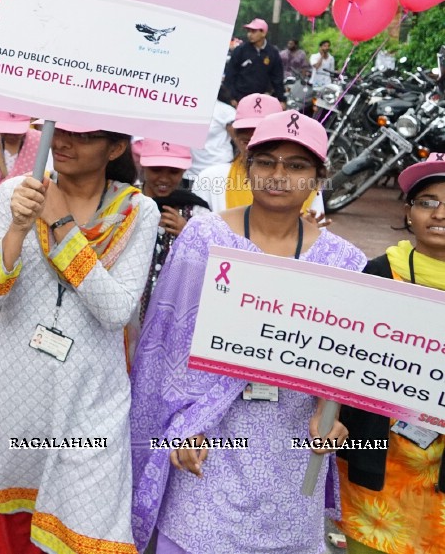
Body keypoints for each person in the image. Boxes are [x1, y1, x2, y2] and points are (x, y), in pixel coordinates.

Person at [130, 110, 364, 553]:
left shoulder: (343, 261)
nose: (279, 175)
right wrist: (184, 423)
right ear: (247, 167)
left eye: (297, 166)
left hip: (291, 448)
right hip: (208, 439)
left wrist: (330, 414)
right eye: (267, 161)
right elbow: (168, 343)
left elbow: (344, 362)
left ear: (318, 177)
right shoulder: (204, 236)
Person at [0, 123, 158, 553]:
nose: (65, 142)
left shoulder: (137, 212)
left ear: (116, 147)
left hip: (92, 405)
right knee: (17, 538)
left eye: (85, 136)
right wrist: (18, 226)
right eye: (61, 130)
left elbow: (115, 312)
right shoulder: (16, 193)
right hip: (15, 400)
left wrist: (61, 225)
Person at [337, 155, 445, 553]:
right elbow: (343, 358)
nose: (440, 213)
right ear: (409, 212)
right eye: (427, 202)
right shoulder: (380, 274)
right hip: (378, 457)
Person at [128, 139, 209, 362]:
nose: (163, 178)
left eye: (173, 171)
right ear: (142, 166)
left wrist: (188, 231)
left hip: (174, 306)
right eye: (156, 170)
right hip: (128, 305)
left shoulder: (197, 210)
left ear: (184, 170)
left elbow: (212, 264)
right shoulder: (124, 201)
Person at [193, 93, 325, 217]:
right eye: (247, 141)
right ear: (236, 138)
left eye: (264, 143)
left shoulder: (305, 183)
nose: (252, 148)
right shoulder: (210, 178)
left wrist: (308, 232)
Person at [223, 18, 285, 103]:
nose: (249, 34)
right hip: (241, 98)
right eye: (249, 31)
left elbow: (277, 78)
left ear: (263, 33)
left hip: (262, 100)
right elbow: (230, 75)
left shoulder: (272, 53)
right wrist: (231, 98)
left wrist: (281, 99)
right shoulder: (240, 50)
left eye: (253, 31)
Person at [187, 84, 236, 177]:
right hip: (190, 172)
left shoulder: (225, 111)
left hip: (219, 170)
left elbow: (239, 140)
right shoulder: (185, 107)